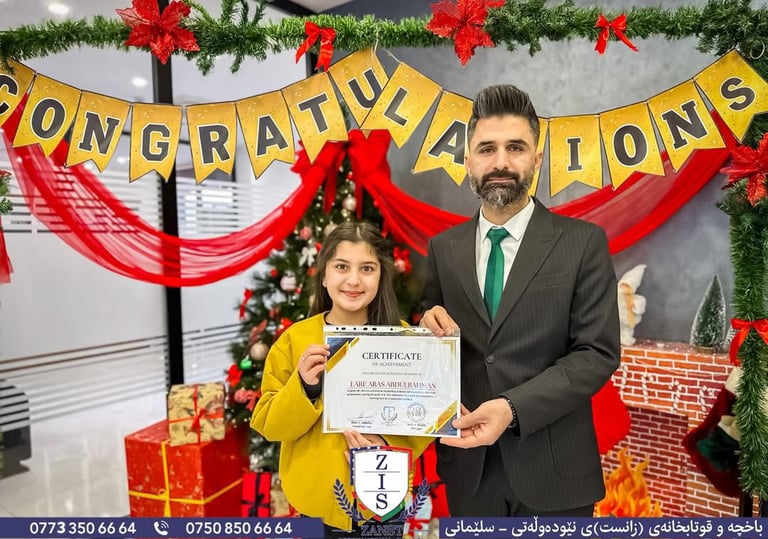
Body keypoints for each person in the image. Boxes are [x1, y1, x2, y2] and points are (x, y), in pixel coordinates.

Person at [419, 84, 621, 517]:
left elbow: (596, 353)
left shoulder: (583, 243)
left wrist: (512, 409)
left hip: (555, 474)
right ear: (468, 160)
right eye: (486, 149)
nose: (501, 162)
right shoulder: (442, 248)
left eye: (516, 147)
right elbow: (433, 336)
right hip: (468, 473)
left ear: (537, 159)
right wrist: (424, 324)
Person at [251, 221, 431, 537]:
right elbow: (270, 424)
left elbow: (426, 414)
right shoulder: (294, 341)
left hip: (382, 497)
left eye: (367, 268)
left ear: (381, 277)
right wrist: (304, 389)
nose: (353, 280)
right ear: (324, 275)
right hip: (314, 504)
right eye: (342, 266)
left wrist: (386, 443)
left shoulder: (405, 340)